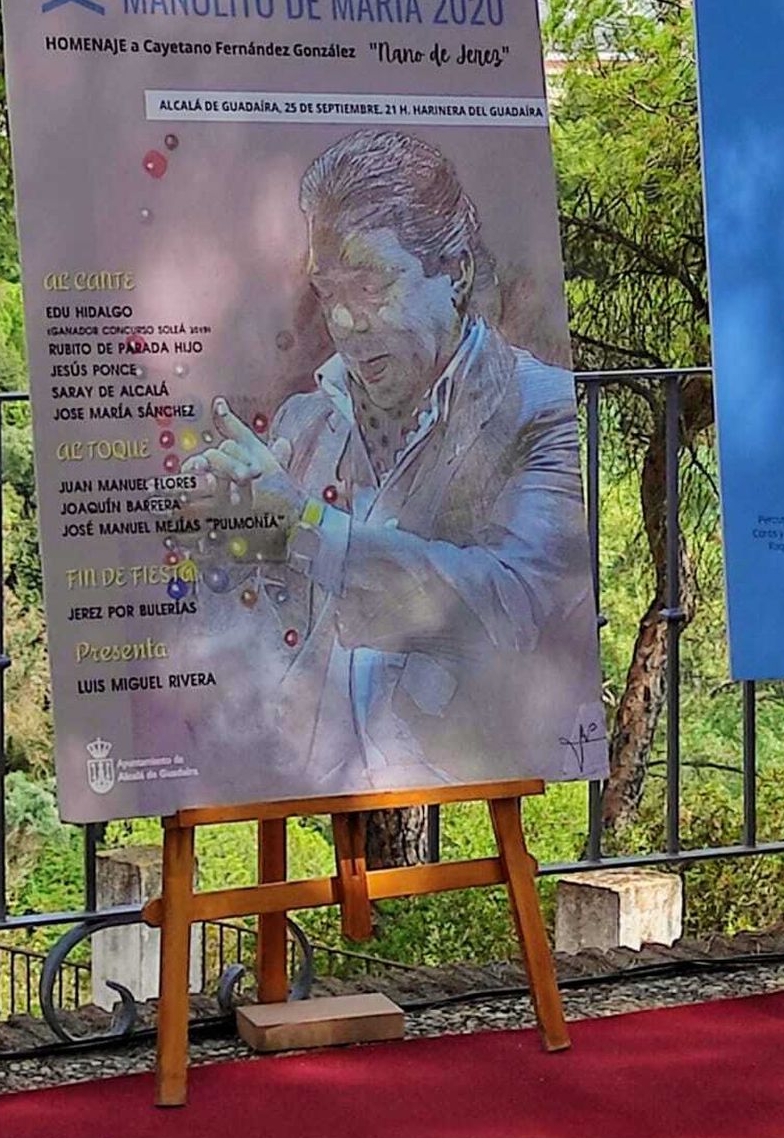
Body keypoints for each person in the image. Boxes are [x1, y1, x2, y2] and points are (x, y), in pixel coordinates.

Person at [184, 128, 598, 789]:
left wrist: (303, 525)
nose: (345, 322)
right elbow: (261, 653)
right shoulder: (307, 422)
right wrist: (232, 543)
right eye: (328, 291)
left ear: (455, 273)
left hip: (464, 769)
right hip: (309, 782)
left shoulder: (540, 408)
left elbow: (516, 603)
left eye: (372, 283)